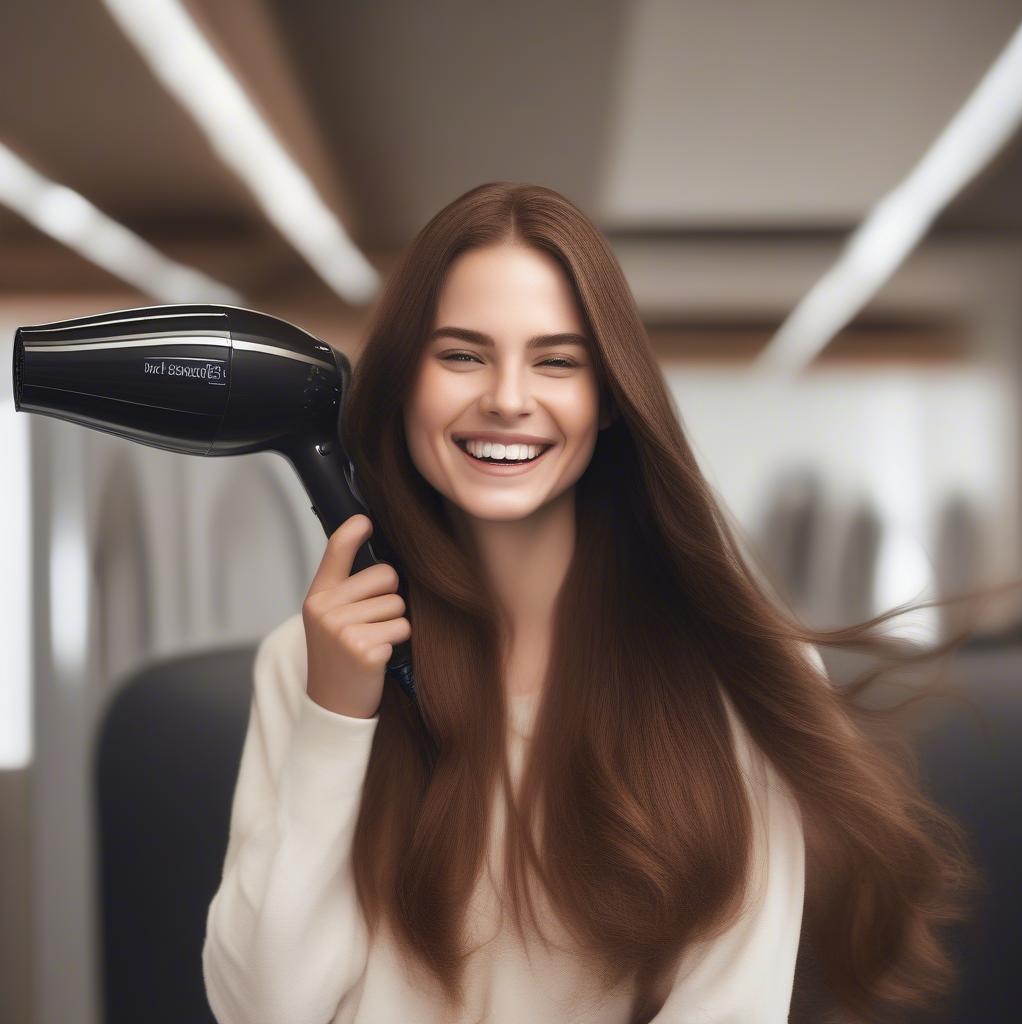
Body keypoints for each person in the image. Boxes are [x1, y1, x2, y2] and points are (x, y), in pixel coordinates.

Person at [202, 183, 980, 1024]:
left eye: (556, 360)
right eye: (462, 355)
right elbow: (263, 1012)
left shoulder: (734, 680)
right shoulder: (307, 665)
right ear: (400, 385)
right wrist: (335, 721)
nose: (507, 397)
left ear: (608, 397)